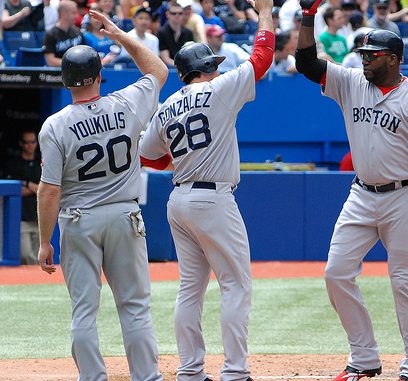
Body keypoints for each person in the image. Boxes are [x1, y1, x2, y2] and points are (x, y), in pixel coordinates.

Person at [296, 2, 408, 379]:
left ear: (395, 59)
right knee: (336, 272)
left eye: (373, 55)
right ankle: (364, 357)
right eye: (363, 53)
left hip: (406, 197)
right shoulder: (350, 81)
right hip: (362, 195)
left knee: (405, 284)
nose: (364, 60)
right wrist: (307, 15)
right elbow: (305, 64)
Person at [138, 0, 275, 378]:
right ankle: (234, 371)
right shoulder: (219, 91)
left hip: (179, 199)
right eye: (212, 67)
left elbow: (148, 157)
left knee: (190, 288)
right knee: (235, 285)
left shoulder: (166, 106)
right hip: (211, 198)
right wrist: (264, 12)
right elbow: (262, 58)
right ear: (204, 69)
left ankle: (190, 371)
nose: (218, 71)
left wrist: (182, 159)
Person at [37, 10, 168, 381]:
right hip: (124, 216)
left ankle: (92, 378)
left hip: (79, 219)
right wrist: (120, 36)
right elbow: (158, 70)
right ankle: (147, 377)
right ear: (98, 76)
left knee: (83, 310)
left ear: (65, 81)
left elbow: (49, 191)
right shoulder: (126, 103)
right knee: (135, 307)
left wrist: (46, 241)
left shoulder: (55, 125)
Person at [3, 130, 41, 265]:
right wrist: (32, 186)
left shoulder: (40, 163)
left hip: (39, 218)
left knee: (39, 256)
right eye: (26, 142)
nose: (30, 145)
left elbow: (45, 190)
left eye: (33, 142)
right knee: (26, 255)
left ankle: (38, 283)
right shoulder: (14, 164)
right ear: (21, 144)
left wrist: (27, 185)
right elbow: (14, 191)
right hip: (21, 218)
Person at [43, 0, 86, 66]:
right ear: (63, 14)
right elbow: (50, 61)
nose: (76, 16)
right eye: (73, 13)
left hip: (77, 72)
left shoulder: (77, 32)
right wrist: (73, 64)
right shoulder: (51, 34)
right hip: (58, 74)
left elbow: (84, 53)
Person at [158, 2, 195, 66]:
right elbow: (165, 59)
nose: (177, 16)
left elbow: (191, 56)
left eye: (180, 13)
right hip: (169, 70)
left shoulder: (188, 33)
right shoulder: (161, 33)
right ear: (167, 14)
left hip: (185, 68)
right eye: (173, 13)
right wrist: (182, 66)